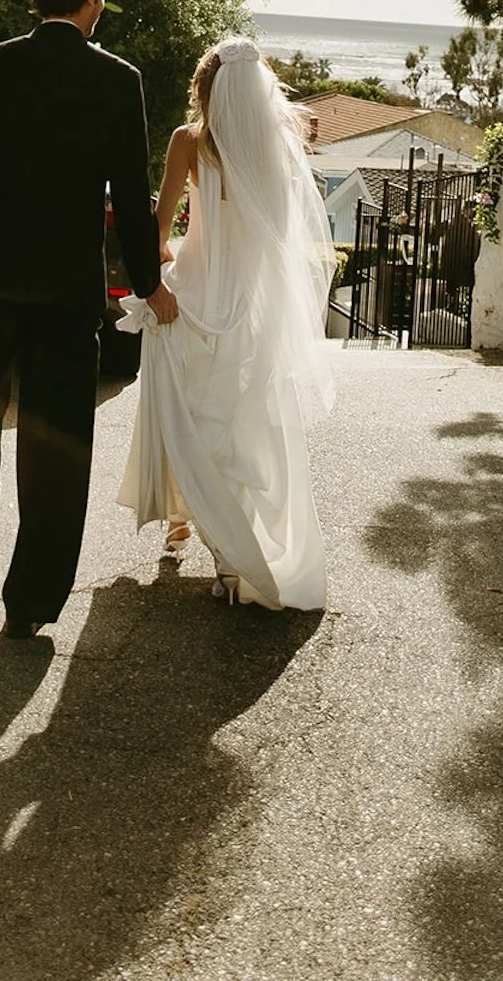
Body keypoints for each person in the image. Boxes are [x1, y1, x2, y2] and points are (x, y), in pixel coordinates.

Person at [0, 0, 179, 639]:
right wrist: (150, 284)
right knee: (58, 440)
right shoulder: (116, 80)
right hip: (69, 290)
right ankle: (32, 602)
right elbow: (131, 196)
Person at [116, 38, 336, 610]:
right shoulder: (282, 147)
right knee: (241, 428)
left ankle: (189, 523)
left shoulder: (187, 143)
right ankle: (231, 549)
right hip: (254, 309)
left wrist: (166, 262)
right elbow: (281, 238)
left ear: (205, 89)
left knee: (185, 416)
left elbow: (159, 227)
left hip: (193, 303)